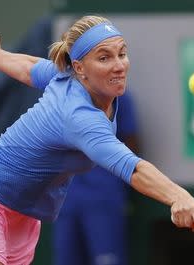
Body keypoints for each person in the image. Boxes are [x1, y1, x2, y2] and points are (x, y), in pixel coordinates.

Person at [0, 15, 194, 265]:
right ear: (80, 67)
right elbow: (131, 167)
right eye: (104, 57)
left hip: (19, 214)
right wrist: (178, 196)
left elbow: (30, 68)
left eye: (122, 53)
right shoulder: (80, 117)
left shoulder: (64, 76)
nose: (119, 65)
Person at [53, 91, 139, 265]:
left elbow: (131, 143)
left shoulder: (118, 97)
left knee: (107, 259)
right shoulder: (60, 96)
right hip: (67, 198)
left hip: (104, 195)